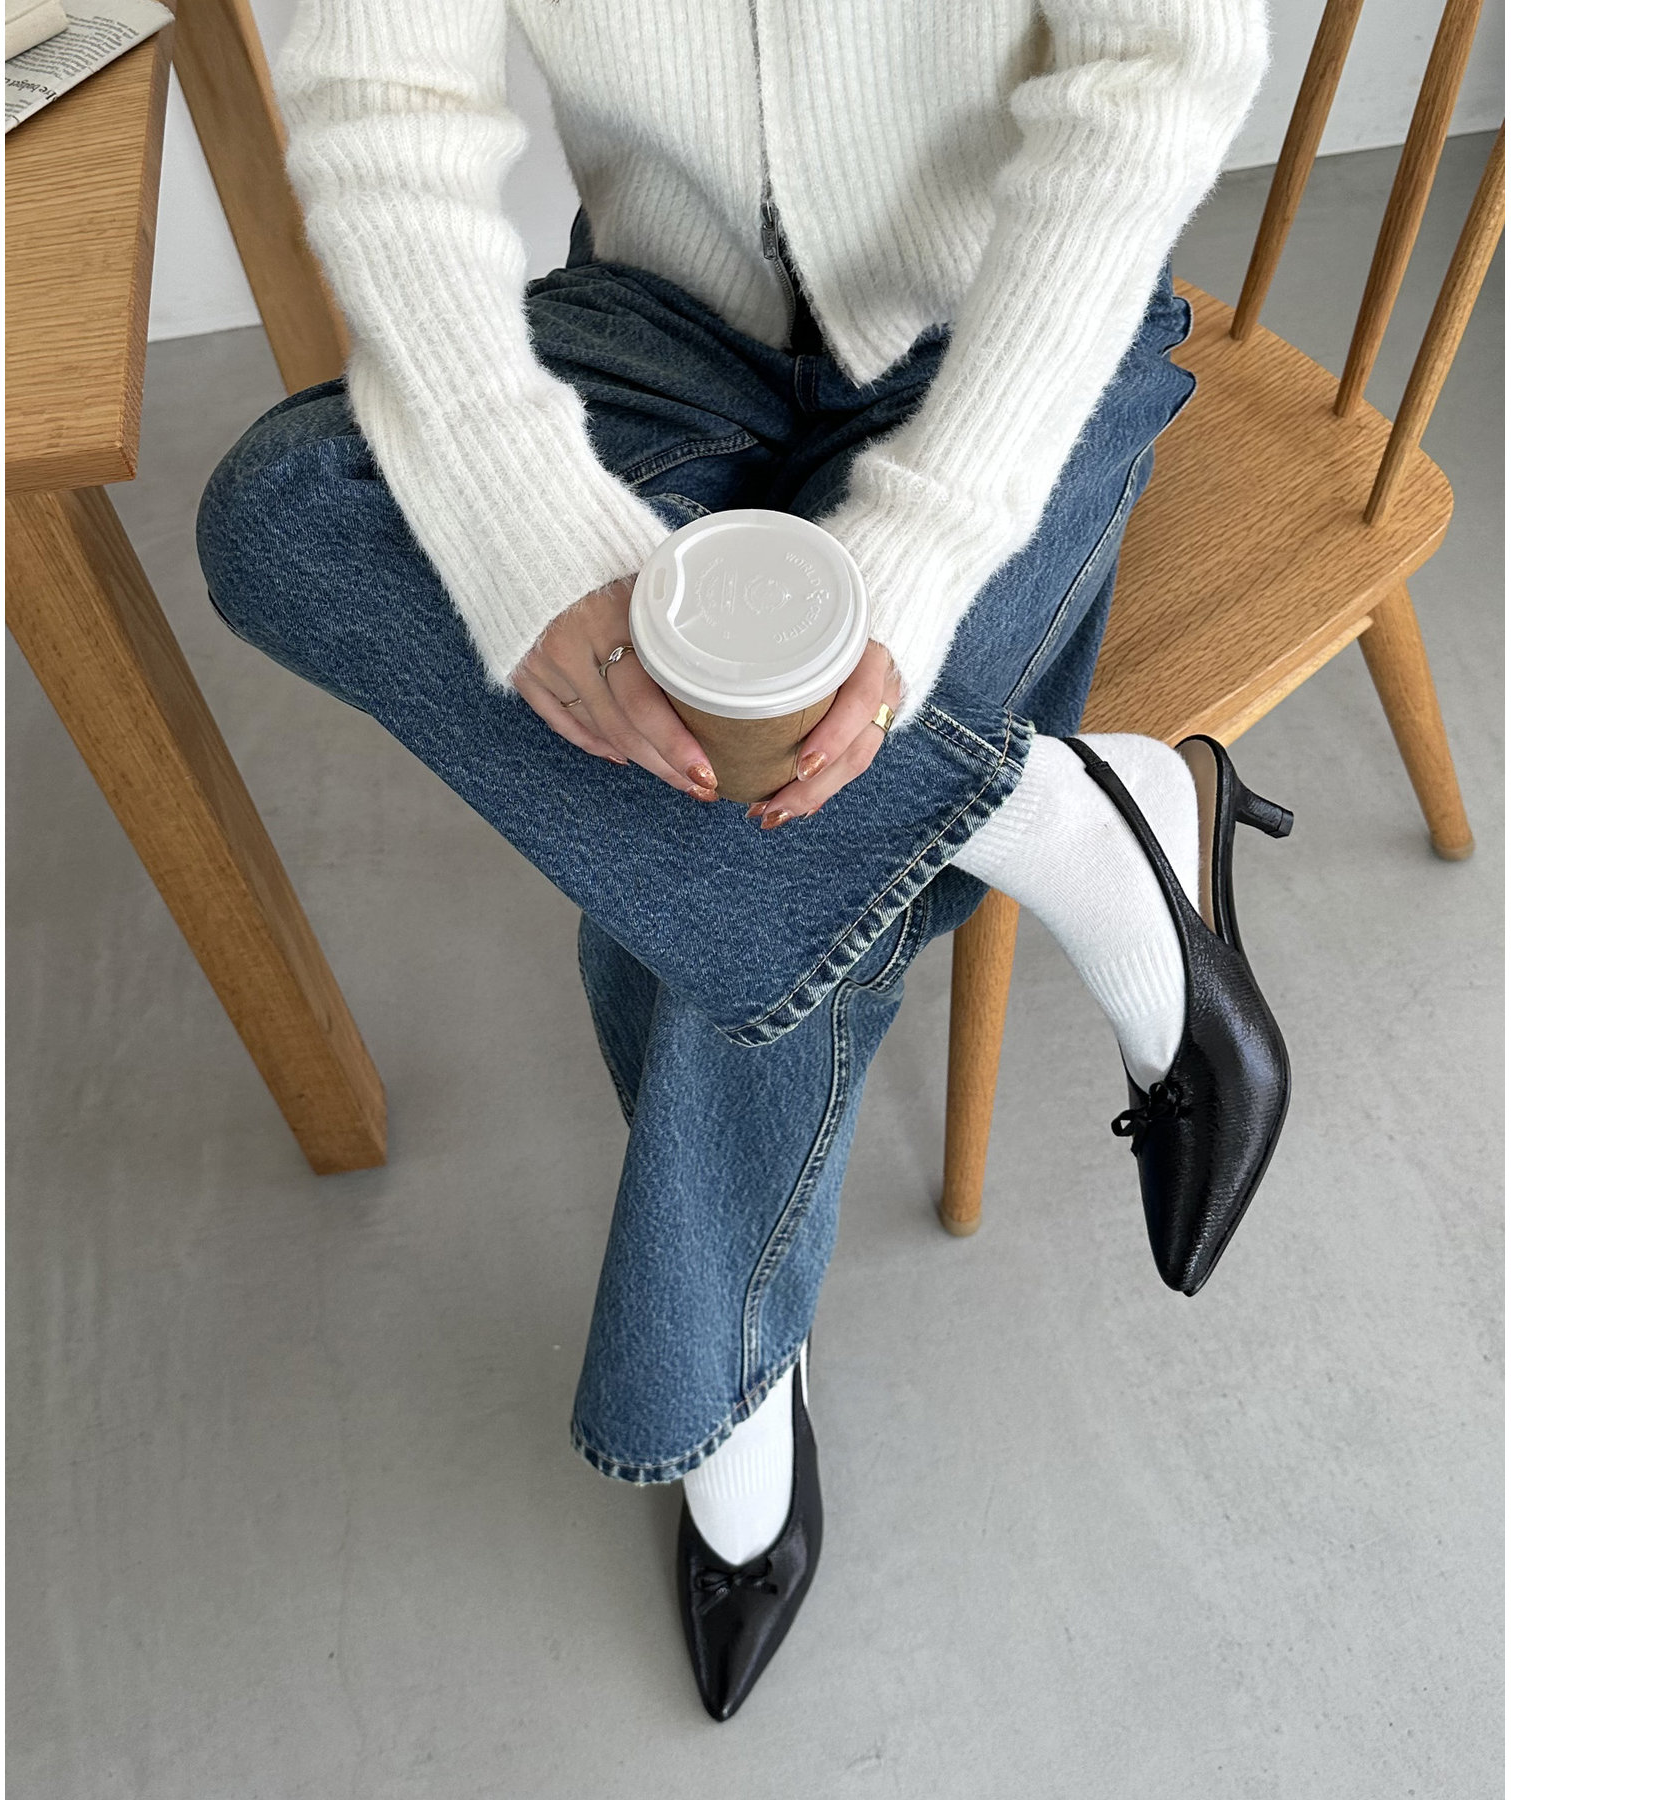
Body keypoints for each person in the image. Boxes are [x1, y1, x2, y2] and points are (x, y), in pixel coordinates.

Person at [196, 0, 1288, 1721]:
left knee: (714, 839)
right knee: (281, 511)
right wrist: (515, 508)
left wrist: (930, 536)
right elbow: (381, 93)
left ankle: (727, 1405)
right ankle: (1073, 822)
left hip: (1008, 322)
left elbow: (1167, 62)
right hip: (651, 322)